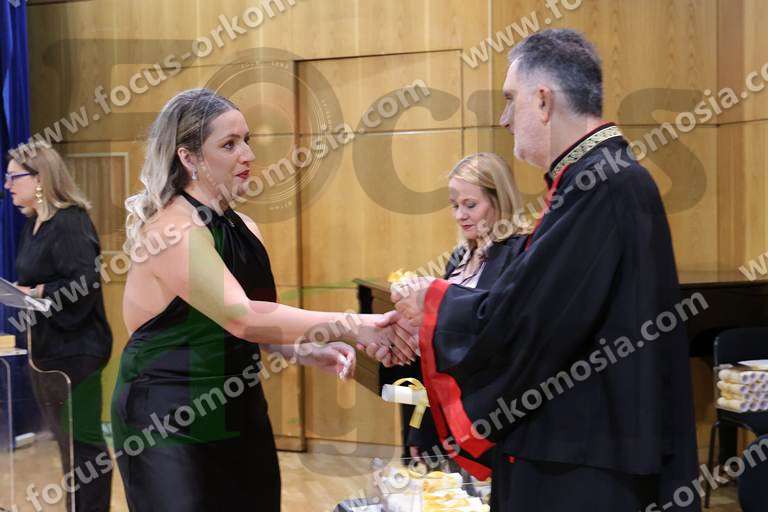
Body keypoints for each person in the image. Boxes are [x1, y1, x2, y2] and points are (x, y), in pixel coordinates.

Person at [390, 29, 700, 511]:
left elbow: (534, 315)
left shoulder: (600, 184)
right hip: (585, 445)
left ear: (542, 101)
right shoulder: (597, 177)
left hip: (582, 457)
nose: (504, 118)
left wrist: (432, 301)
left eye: (510, 100)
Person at [112, 88, 415, 511]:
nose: (248, 155)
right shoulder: (172, 230)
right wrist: (355, 324)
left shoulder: (245, 227)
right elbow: (242, 317)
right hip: (167, 416)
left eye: (247, 140)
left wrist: (303, 350)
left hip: (238, 407)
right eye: (229, 144)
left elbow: (259, 324)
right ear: (189, 158)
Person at [400, 152, 530, 476]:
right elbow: (436, 350)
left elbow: (501, 339)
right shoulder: (459, 257)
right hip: (449, 416)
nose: (460, 215)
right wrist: (422, 426)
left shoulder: (519, 252)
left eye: (470, 205)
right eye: (454, 205)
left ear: (499, 200)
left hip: (492, 419)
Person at [4, 141, 113, 511]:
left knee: (83, 447)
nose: (7, 185)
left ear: (40, 178)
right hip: (47, 351)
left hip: (76, 353)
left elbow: (85, 284)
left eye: (14, 177)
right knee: (67, 446)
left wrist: (34, 291)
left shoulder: (70, 221)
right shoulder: (33, 224)